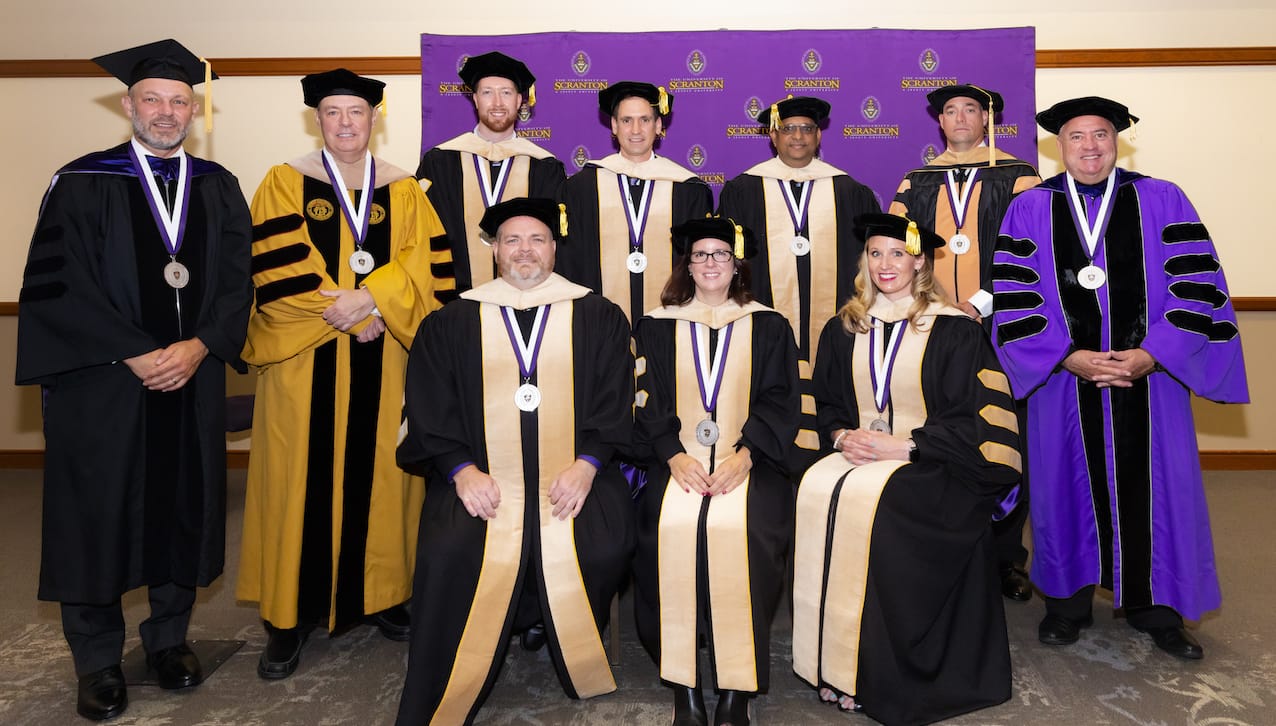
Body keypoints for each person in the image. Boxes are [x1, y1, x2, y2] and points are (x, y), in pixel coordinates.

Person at [15, 39, 252, 720]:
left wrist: (202, 345)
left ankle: (168, 640)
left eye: (180, 101)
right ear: (128, 105)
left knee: (182, 504)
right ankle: (96, 661)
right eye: (154, 98)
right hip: (105, 386)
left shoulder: (218, 185)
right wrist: (134, 352)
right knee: (96, 514)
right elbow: (59, 291)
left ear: (194, 111)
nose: (167, 111)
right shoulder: (83, 182)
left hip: (193, 378)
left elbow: (239, 283)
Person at [992, 96, 1248, 659]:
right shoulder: (1030, 208)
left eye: (1101, 135)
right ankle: (1067, 605)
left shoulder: (1163, 199)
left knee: (1160, 491)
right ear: (1060, 145)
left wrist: (1153, 353)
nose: (1090, 146)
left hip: (1150, 384)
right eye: (1078, 136)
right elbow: (1013, 296)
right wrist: (1066, 356)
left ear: (1117, 141)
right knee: (1064, 489)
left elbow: (1197, 284)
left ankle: (1157, 610)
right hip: (1064, 382)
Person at [236, 68, 454, 680]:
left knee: (383, 469)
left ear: (374, 118)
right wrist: (344, 312)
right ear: (317, 119)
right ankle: (288, 616)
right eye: (332, 112)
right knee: (295, 476)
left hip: (385, 354)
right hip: (306, 356)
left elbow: (426, 263)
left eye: (355, 112)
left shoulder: (406, 190)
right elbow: (276, 265)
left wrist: (373, 300)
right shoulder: (284, 182)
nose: (345, 123)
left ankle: (383, 595)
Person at [395, 197, 635, 725]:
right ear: (495, 251)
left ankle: (541, 618)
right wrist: (460, 470)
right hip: (482, 478)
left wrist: (588, 465)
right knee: (452, 543)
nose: (525, 250)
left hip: (575, 472)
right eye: (512, 241)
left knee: (602, 540)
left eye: (536, 240)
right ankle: (476, 652)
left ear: (554, 247)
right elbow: (430, 409)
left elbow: (615, 402)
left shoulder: (598, 315)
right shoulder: (454, 319)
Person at [792, 213, 1021, 724]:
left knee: (888, 513)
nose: (885, 264)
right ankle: (837, 667)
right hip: (854, 457)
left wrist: (908, 447)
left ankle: (882, 675)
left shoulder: (954, 330)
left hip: (935, 464)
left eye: (898, 253)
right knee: (815, 490)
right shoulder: (844, 326)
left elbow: (975, 420)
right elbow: (824, 402)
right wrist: (839, 435)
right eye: (875, 253)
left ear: (920, 260)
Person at [632, 217, 799, 726]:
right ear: (686, 263)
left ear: (736, 264)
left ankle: (736, 688)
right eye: (699, 255)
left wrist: (747, 455)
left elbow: (781, 400)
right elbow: (643, 398)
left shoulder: (768, 324)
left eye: (719, 255)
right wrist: (672, 455)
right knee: (667, 528)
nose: (709, 263)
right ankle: (683, 685)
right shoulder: (656, 325)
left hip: (750, 461)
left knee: (745, 530)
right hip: (675, 461)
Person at [889, 83, 1041, 603]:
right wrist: (931, 302)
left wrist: (980, 302)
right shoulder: (916, 181)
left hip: (999, 326)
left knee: (1000, 435)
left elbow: (1032, 252)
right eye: (949, 110)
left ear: (986, 117)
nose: (959, 118)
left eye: (970, 109)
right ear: (940, 122)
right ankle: (946, 548)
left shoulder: (1018, 176)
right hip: (930, 326)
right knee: (942, 430)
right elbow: (898, 253)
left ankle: (1006, 558)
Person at [717, 96, 881, 468]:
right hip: (762, 330)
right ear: (772, 135)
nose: (798, 137)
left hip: (834, 328)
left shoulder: (850, 192)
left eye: (807, 128)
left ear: (819, 135)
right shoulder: (743, 191)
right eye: (788, 128)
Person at [557, 81, 713, 324]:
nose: (636, 130)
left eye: (645, 120)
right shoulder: (582, 187)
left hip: (673, 321)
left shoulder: (687, 188)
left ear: (659, 125)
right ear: (614, 126)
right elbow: (570, 259)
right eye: (627, 120)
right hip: (599, 323)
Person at [417, 51, 567, 293]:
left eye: (506, 93)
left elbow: (557, 244)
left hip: (527, 300)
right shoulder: (440, 163)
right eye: (487, 92)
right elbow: (420, 236)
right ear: (475, 99)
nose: (497, 103)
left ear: (519, 100)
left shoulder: (544, 167)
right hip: (453, 302)